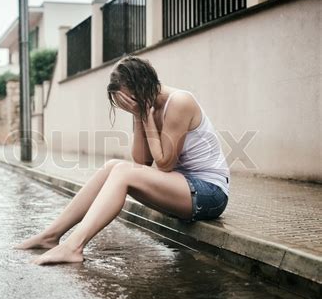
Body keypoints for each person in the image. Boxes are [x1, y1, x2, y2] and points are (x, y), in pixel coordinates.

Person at [15, 55, 230, 265]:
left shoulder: (180, 102)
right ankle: (51, 235)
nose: (127, 106)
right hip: (183, 187)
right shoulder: (147, 107)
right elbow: (141, 161)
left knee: (122, 171)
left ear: (142, 86)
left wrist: (144, 114)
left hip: (210, 193)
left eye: (128, 101)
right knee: (113, 167)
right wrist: (139, 115)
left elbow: (165, 164)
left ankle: (73, 247)